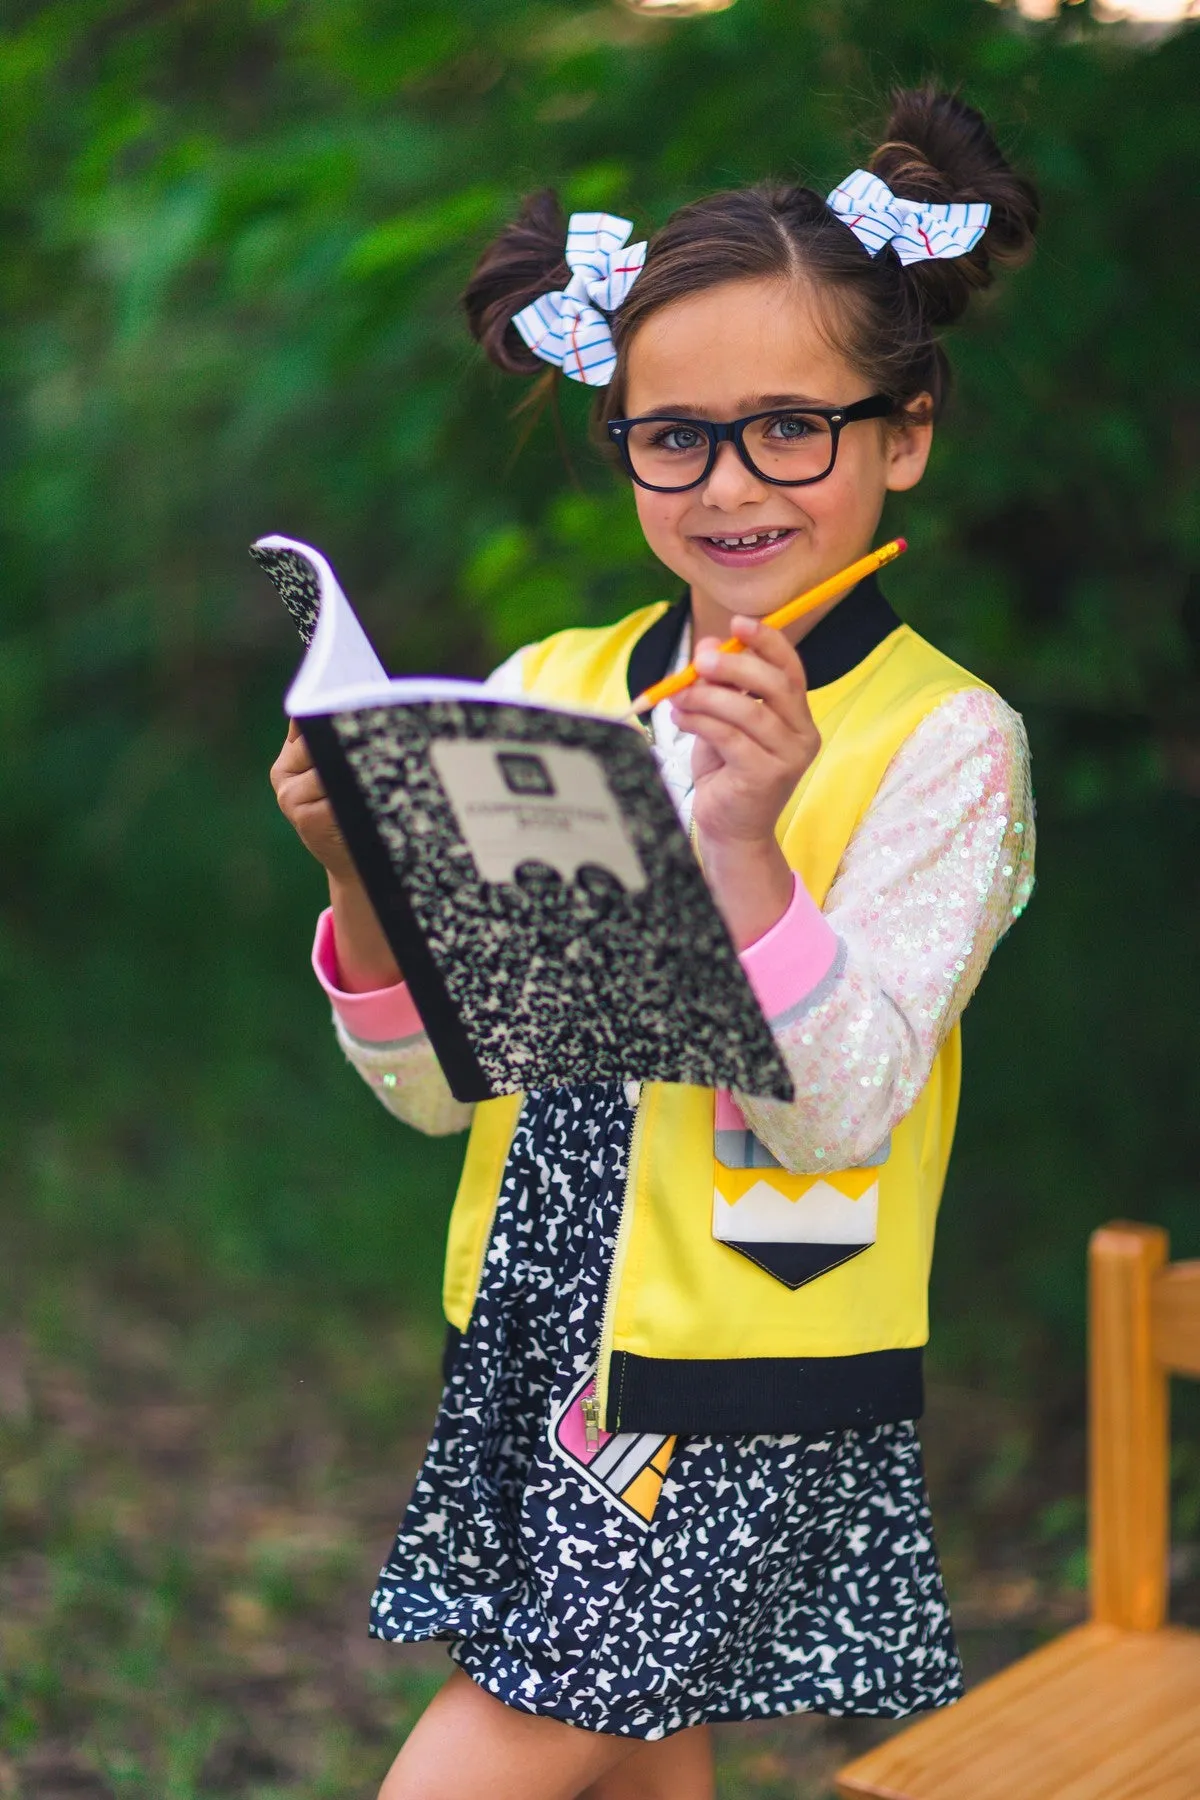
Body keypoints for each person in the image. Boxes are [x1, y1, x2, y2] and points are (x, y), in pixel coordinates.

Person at [271, 86, 1039, 1800]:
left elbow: (844, 1109)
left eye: (792, 426)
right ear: (620, 444)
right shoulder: (550, 689)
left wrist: (751, 849)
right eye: (671, 434)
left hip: (736, 1367)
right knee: (638, 1758)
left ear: (902, 429)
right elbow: (436, 1096)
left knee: (494, 1748)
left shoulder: (944, 743)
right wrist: (360, 884)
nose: (729, 482)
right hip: (539, 1324)